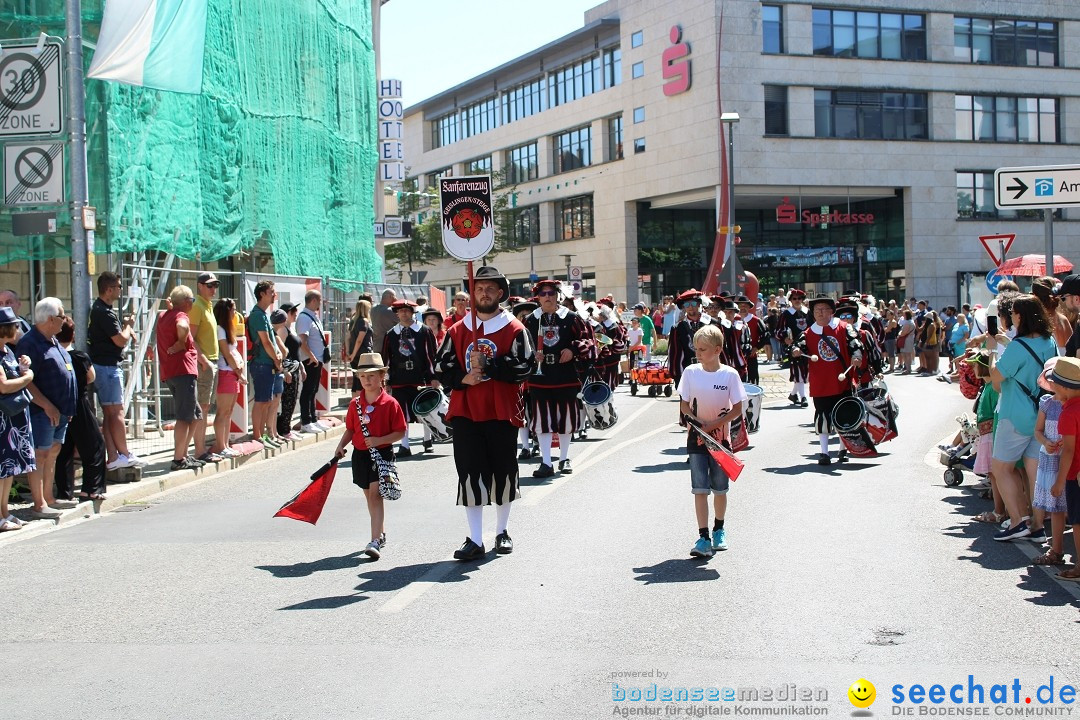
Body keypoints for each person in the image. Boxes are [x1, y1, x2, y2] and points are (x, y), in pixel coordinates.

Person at [435, 266, 535, 560]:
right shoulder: (456, 330)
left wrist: (491, 365)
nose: (484, 293)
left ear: (500, 293)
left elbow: (525, 368)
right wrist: (462, 379)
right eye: (479, 289)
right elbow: (442, 367)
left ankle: (502, 532)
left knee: (503, 471)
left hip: (501, 411)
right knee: (469, 472)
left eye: (490, 289)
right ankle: (474, 539)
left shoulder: (515, 329)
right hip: (466, 411)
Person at [990, 294, 1057, 541]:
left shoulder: (1017, 346)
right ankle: (1038, 526)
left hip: (1015, 414)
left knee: (1001, 467)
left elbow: (997, 377)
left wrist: (992, 355)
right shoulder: (1049, 341)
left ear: (1020, 316)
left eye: (1014, 313)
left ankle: (1018, 521)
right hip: (1041, 415)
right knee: (1035, 474)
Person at [678, 324, 746, 558]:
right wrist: (695, 421)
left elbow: (737, 408)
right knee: (699, 489)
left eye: (703, 349)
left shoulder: (729, 374)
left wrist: (714, 426)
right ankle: (703, 536)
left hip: (720, 442)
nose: (698, 354)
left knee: (719, 489)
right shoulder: (690, 372)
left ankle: (719, 529)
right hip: (696, 439)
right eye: (696, 349)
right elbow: (684, 404)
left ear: (717, 350)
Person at [335, 352, 407, 560]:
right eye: (363, 376)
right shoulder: (355, 404)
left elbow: (400, 432)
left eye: (372, 376)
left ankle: (374, 540)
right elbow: (350, 429)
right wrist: (341, 446)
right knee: (369, 495)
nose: (367, 380)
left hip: (381, 454)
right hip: (360, 455)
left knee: (376, 495)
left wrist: (379, 440)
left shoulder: (390, 403)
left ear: (382, 376)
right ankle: (381, 533)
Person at [522, 279, 594, 478]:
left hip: (566, 375)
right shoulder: (530, 319)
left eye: (551, 293)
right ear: (538, 297)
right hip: (540, 376)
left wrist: (572, 349)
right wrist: (531, 356)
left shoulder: (571, 317)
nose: (547, 297)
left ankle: (564, 458)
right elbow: (520, 344)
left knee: (566, 418)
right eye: (543, 294)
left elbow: (588, 340)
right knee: (543, 420)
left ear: (557, 296)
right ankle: (546, 462)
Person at [18, 297, 77, 517]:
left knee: (53, 451)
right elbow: (27, 381)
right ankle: (39, 503)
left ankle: (48, 498)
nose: (65, 320)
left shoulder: (51, 339)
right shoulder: (30, 342)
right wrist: (48, 405)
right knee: (40, 454)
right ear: (51, 318)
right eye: (62, 316)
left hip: (59, 411)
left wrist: (65, 408)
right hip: (42, 411)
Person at [791, 294, 862, 466]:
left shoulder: (844, 327)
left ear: (832, 312)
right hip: (820, 382)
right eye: (817, 310)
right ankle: (824, 453)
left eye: (824, 309)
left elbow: (855, 344)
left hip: (842, 380)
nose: (820, 313)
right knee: (822, 417)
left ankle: (842, 449)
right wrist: (795, 351)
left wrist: (856, 356)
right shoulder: (808, 333)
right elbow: (797, 346)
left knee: (844, 416)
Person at [87, 271, 147, 470]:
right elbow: (120, 340)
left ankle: (113, 456)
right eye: (119, 287)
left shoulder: (101, 309)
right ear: (110, 289)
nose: (121, 290)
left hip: (104, 366)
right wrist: (129, 327)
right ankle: (124, 453)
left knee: (110, 413)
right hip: (107, 367)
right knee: (116, 412)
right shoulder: (103, 312)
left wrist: (126, 330)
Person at [53, 317, 107, 503]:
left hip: (58, 405)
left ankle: (64, 492)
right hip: (79, 404)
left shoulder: (53, 355)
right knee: (95, 445)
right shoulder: (79, 356)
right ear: (73, 335)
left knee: (63, 449)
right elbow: (91, 377)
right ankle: (91, 489)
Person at [157, 286, 205, 471]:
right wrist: (180, 342)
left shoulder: (164, 316)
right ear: (186, 302)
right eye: (192, 300)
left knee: (196, 414)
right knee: (185, 417)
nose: (192, 303)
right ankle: (178, 459)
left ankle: (184, 454)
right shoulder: (181, 316)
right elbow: (182, 326)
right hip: (183, 371)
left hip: (171, 371)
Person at [383, 299, 439, 456]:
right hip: (399, 378)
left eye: (407, 310)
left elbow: (431, 356)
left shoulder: (424, 331)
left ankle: (427, 440)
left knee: (425, 410)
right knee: (402, 413)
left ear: (413, 312)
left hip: (421, 377)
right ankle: (405, 445)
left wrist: (433, 377)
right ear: (397, 313)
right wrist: (387, 380)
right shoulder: (391, 334)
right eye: (400, 311)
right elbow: (386, 359)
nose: (403, 313)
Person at [0, 307, 35, 531]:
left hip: (13, 419)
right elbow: (3, 386)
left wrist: (23, 367)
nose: (18, 329)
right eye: (15, 325)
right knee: (2, 468)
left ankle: (4, 512)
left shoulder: (7, 351)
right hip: (4, 420)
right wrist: (28, 377)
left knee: (9, 469)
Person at [1032, 360, 1067, 564]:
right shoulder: (1046, 402)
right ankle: (1057, 549)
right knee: (1055, 507)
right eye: (1051, 379)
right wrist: (1046, 441)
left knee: (1067, 504)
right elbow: (1038, 430)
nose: (1054, 384)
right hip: (1050, 458)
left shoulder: (1072, 405)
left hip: (1067, 458)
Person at [1049, 356, 1080, 581]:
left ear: (1065, 388)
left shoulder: (1068, 413)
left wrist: (1060, 481)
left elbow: (1068, 451)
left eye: (1055, 384)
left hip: (1075, 475)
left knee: (1078, 522)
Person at [188, 272, 221, 462]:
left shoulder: (207, 306)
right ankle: (199, 450)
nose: (213, 289)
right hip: (205, 363)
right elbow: (191, 338)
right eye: (209, 285)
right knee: (202, 407)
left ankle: (201, 449)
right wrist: (203, 360)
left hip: (211, 361)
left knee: (205, 407)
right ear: (199, 286)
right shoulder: (197, 306)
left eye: (215, 285)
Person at [248, 280, 284, 448]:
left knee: (267, 401)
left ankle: (262, 435)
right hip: (262, 363)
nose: (274, 295)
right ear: (262, 294)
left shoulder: (263, 314)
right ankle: (257, 436)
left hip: (267, 364)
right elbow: (266, 342)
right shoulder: (258, 315)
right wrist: (277, 360)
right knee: (262, 401)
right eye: (271, 292)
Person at [210, 298, 246, 458]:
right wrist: (239, 371)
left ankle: (225, 444)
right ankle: (220, 445)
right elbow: (226, 353)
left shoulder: (227, 329)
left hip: (232, 373)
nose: (235, 313)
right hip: (226, 372)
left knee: (229, 411)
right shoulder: (220, 329)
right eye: (233, 310)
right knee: (222, 411)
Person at [296, 290, 329, 433]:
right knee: (308, 390)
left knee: (314, 390)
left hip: (317, 359)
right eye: (320, 300)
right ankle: (306, 420)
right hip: (310, 361)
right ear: (314, 300)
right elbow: (302, 341)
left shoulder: (312, 316)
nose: (321, 303)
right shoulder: (304, 318)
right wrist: (311, 356)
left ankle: (313, 419)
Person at [667, 289, 713, 387]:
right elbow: (674, 354)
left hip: (711, 372)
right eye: (687, 305)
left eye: (693, 303)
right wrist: (678, 376)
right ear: (684, 308)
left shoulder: (711, 324)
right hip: (688, 373)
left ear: (699, 304)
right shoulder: (677, 328)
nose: (691, 307)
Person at [780, 288, 810, 406]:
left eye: (799, 298)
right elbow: (779, 330)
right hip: (793, 345)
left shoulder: (808, 312)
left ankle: (793, 394)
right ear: (790, 300)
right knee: (798, 370)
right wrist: (784, 339)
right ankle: (803, 397)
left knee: (805, 372)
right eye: (794, 298)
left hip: (807, 345)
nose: (797, 300)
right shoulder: (786, 314)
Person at [268, 309, 293, 443]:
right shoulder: (275, 334)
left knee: (274, 403)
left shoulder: (273, 333)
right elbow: (284, 352)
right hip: (276, 371)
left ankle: (274, 432)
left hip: (277, 370)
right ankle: (271, 433)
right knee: (273, 404)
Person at [346, 299, 373, 399]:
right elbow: (359, 340)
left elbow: (347, 337)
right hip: (363, 354)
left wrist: (350, 352)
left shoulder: (353, 321)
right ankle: (360, 404)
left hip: (355, 354)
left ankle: (354, 404)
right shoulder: (364, 321)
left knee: (356, 379)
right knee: (363, 380)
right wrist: (353, 354)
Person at [737, 295, 766, 384]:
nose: (743, 308)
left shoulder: (756, 320)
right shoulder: (732, 320)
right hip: (736, 356)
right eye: (740, 306)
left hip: (751, 355)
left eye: (745, 306)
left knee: (752, 379)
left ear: (749, 307)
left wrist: (757, 347)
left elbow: (765, 335)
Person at [370, 289, 398, 355]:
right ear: (391, 297)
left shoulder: (373, 309)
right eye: (395, 296)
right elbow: (404, 321)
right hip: (387, 345)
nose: (396, 298)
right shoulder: (390, 311)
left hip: (376, 345)